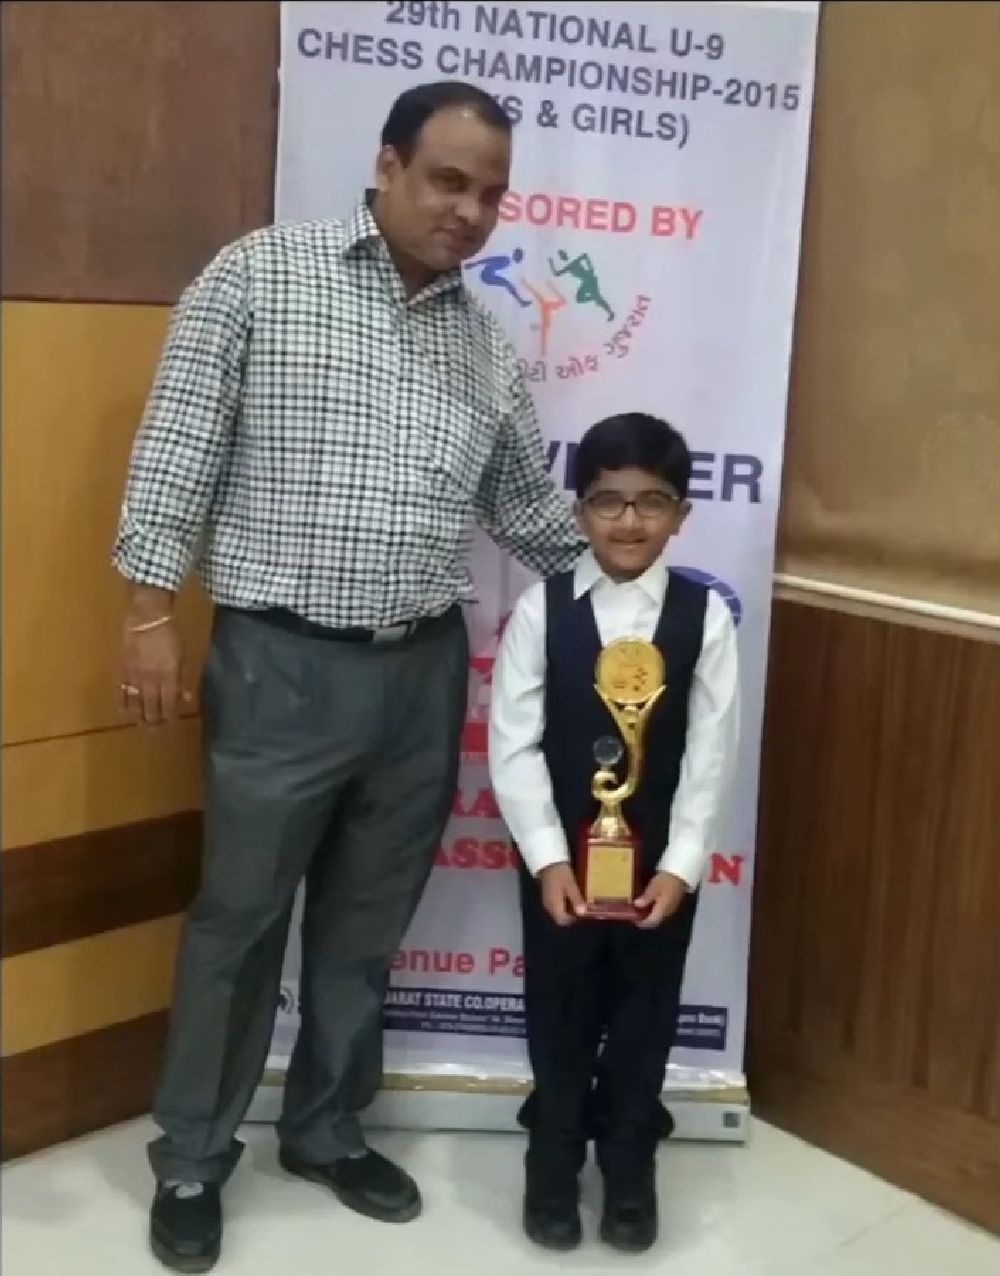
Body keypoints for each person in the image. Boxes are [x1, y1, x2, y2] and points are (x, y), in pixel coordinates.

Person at [113, 81, 584, 1273]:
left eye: (490, 193)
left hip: (421, 671)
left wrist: (641, 605)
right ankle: (192, 1154)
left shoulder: (484, 342)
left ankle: (324, 1128)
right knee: (238, 920)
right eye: (447, 180)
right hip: (279, 665)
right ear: (385, 166)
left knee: (365, 929)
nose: (468, 210)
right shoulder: (259, 276)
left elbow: (527, 507)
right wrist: (148, 609)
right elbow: (176, 445)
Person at [488, 413, 739, 1254]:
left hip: (661, 865)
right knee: (559, 1011)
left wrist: (682, 864)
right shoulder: (541, 610)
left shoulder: (705, 617)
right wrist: (547, 858)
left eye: (651, 502)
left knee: (644, 1014)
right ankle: (553, 1159)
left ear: (681, 513)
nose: (629, 521)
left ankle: (630, 1163)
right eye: (608, 502)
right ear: (579, 510)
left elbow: (711, 751)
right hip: (560, 861)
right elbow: (513, 744)